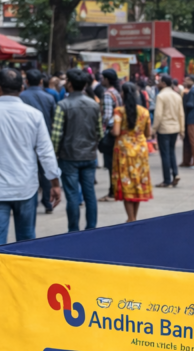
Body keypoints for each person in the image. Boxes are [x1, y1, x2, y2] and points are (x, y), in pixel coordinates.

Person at [0, 67, 61, 245]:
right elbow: (46, 153)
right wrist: (54, 183)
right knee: (26, 238)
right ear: (22, 88)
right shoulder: (34, 115)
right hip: (26, 187)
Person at [51, 68, 103, 232]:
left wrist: (55, 153)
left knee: (73, 196)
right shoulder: (94, 104)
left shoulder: (63, 105)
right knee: (90, 194)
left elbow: (56, 135)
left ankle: (73, 230)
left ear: (70, 84)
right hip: (89, 155)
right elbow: (99, 132)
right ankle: (91, 228)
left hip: (69, 157)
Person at [112, 82, 152, 221]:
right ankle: (134, 216)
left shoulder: (119, 111)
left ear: (122, 94)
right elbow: (148, 134)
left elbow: (116, 131)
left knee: (126, 181)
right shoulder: (144, 111)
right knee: (138, 182)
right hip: (140, 150)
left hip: (124, 150)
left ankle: (131, 217)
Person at [20, 68, 56, 214]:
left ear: (26, 81)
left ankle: (31, 202)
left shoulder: (21, 97)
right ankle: (48, 202)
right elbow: (53, 119)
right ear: (41, 81)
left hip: (25, 141)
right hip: (44, 139)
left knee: (29, 172)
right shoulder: (49, 97)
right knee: (45, 172)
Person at [152, 74, 184, 187]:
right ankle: (175, 174)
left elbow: (158, 115)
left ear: (164, 83)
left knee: (165, 154)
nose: (158, 84)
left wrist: (153, 129)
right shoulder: (177, 96)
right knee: (171, 152)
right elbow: (181, 114)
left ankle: (166, 180)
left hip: (164, 129)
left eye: (159, 81)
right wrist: (182, 130)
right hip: (174, 128)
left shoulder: (161, 96)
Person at [99, 68, 122, 201]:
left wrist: (101, 130)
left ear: (107, 79)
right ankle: (115, 190)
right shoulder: (116, 93)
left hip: (110, 132)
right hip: (117, 130)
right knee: (114, 163)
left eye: (102, 78)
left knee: (110, 163)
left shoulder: (108, 94)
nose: (101, 80)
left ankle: (112, 192)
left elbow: (107, 116)